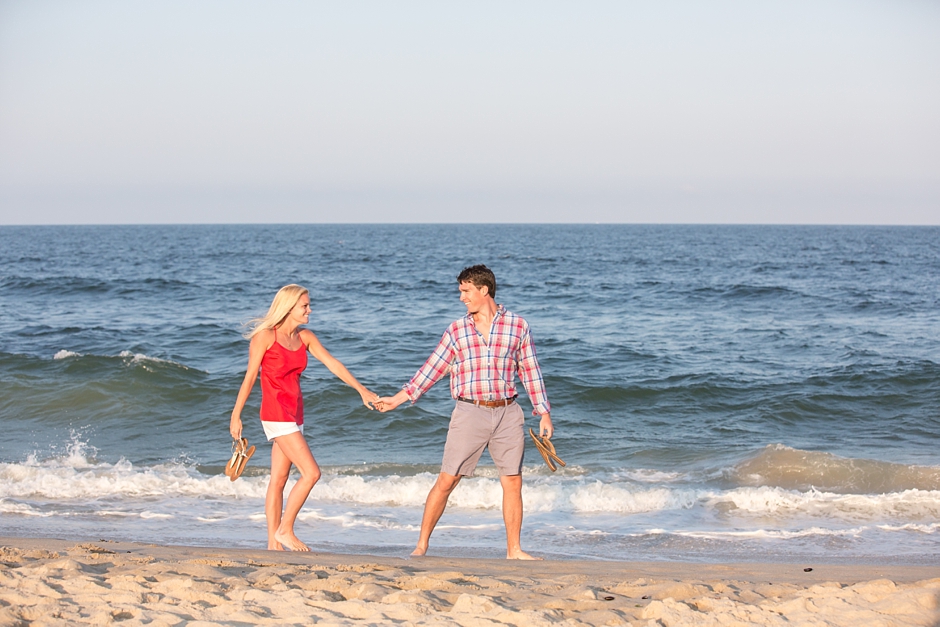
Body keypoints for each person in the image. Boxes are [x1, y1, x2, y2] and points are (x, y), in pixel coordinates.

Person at [376, 265, 553, 560]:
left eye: (466, 291)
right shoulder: (457, 330)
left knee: (513, 480)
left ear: (484, 290)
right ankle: (421, 545)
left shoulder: (518, 326)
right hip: (470, 411)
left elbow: (530, 370)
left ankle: (514, 550)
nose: (461, 297)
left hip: (508, 412)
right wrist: (397, 399)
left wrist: (543, 412)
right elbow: (431, 369)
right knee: (448, 479)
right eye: (461, 291)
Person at [230, 284, 379, 552]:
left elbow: (333, 363)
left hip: (295, 412)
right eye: (305, 306)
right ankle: (285, 529)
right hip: (275, 413)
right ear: (289, 308)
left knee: (278, 480)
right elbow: (250, 377)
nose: (310, 310)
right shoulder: (265, 337)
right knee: (311, 473)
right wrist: (236, 415)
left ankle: (273, 546)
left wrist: (361, 390)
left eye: (309, 305)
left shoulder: (305, 337)